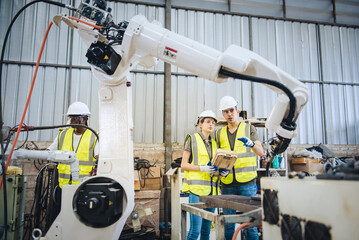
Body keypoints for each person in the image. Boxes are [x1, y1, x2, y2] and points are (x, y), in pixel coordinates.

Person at [215, 96, 264, 240]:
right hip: (227, 183)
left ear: (238, 110)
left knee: (251, 224)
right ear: (222, 114)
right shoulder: (219, 133)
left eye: (231, 110)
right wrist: (219, 170)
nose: (229, 114)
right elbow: (217, 158)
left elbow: (261, 152)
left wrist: (252, 144)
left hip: (247, 183)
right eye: (226, 111)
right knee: (228, 224)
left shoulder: (249, 128)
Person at [181, 110, 227, 240]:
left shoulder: (215, 143)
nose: (211, 124)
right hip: (197, 193)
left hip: (212, 193)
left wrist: (221, 172)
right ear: (200, 124)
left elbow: (215, 167)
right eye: (207, 121)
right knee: (195, 231)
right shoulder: (192, 139)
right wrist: (202, 168)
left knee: (206, 231)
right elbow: (183, 165)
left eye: (213, 122)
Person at [47, 101, 99, 189]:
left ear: (84, 119)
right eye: (70, 118)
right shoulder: (63, 134)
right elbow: (49, 151)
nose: (71, 121)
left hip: (83, 186)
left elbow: (99, 157)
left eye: (75, 118)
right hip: (63, 186)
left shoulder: (94, 136)